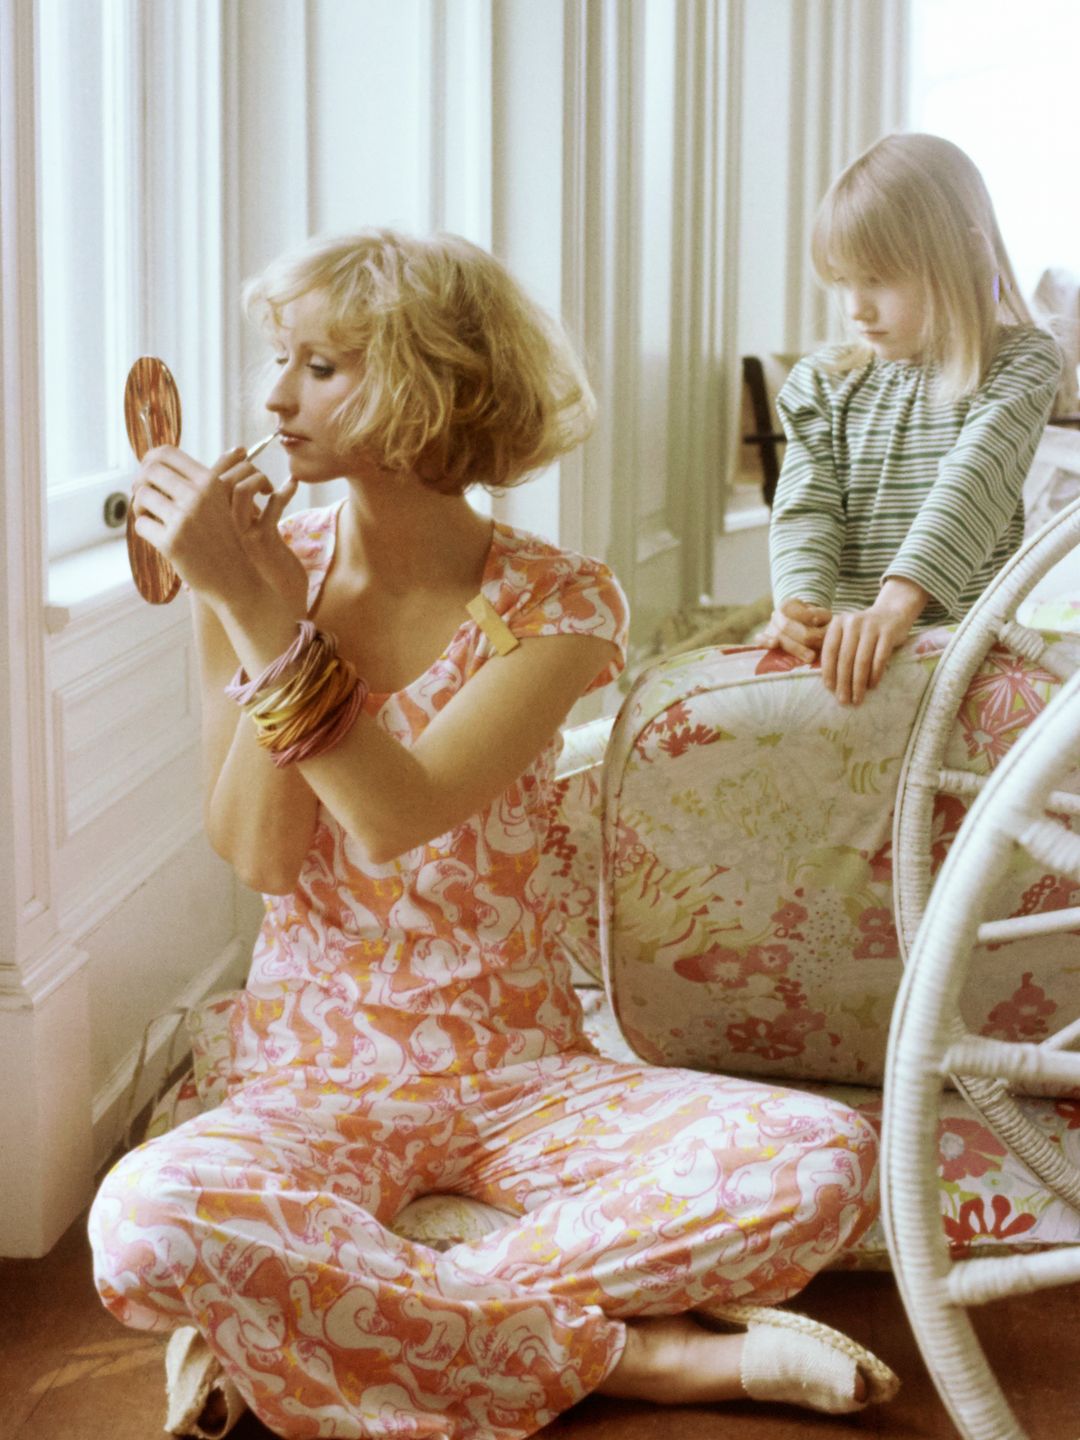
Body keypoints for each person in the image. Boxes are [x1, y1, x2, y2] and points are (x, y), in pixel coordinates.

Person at [88, 228, 893, 1439]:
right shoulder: (258, 580)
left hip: (524, 1074)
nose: (271, 397)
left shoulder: (563, 602)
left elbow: (392, 820)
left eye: (321, 365)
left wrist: (263, 612)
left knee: (828, 1159)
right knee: (143, 1230)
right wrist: (259, 604)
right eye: (280, 360)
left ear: (429, 387)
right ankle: (648, 1362)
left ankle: (336, 1312)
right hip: (313, 1077)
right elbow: (259, 858)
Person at [762, 133, 1062, 705]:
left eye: (878, 278)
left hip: (961, 650)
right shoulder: (823, 380)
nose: (857, 308)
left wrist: (894, 607)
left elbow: (973, 482)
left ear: (970, 254)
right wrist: (800, 608)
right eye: (845, 281)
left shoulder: (1020, 361)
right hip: (847, 649)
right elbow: (808, 507)